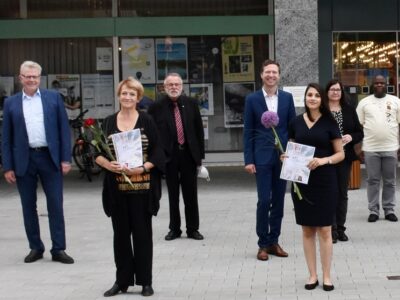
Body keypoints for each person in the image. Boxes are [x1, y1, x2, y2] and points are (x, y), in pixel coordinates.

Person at [95, 77, 165, 297]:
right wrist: (107, 163)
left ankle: (146, 281)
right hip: (117, 189)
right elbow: (95, 152)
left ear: (138, 98)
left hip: (142, 188)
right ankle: (122, 281)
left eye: (131, 94)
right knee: (121, 236)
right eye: (124, 93)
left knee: (143, 235)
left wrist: (143, 168)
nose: (127, 97)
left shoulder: (147, 121)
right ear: (119, 96)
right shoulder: (107, 122)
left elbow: (159, 152)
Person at [1, 61, 74, 264]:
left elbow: (63, 129)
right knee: (28, 206)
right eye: (27, 76)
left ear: (39, 78)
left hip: (49, 159)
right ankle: (35, 247)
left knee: (55, 205)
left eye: (35, 76)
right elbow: (6, 137)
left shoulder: (53, 98)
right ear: (20, 78)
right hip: (24, 160)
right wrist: (7, 166)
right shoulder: (11, 103)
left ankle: (58, 249)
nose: (31, 79)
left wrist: (65, 158)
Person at [287, 83, 344, 291]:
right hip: (302, 182)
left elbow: (341, 154)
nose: (312, 98)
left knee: (325, 230)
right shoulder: (295, 122)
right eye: (309, 95)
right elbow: (292, 149)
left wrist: (323, 160)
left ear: (322, 99)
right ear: (305, 98)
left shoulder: (330, 122)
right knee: (307, 230)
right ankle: (312, 275)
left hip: (325, 181)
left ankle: (327, 276)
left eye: (316, 95)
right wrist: (286, 156)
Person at [243, 59, 296, 261]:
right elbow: (248, 131)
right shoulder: (252, 99)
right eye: (267, 72)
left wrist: (292, 154)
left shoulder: (287, 98)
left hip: (282, 158)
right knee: (264, 200)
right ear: (261, 75)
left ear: (279, 75)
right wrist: (249, 159)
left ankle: (274, 241)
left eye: (274, 72)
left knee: (279, 201)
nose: (271, 75)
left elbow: (292, 129)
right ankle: (262, 244)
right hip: (262, 157)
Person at [148, 73, 205, 241]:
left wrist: (200, 157)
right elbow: (152, 134)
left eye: (177, 84)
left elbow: (198, 131)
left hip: (188, 155)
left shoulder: (191, 103)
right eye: (170, 85)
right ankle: (174, 229)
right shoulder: (156, 106)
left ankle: (193, 229)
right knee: (173, 195)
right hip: (168, 157)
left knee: (191, 194)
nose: (174, 87)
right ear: (164, 88)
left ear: (182, 86)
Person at [356, 75, 400, 223]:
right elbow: (358, 126)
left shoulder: (395, 101)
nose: (379, 85)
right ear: (372, 85)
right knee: (373, 181)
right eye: (376, 83)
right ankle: (373, 210)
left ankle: (389, 210)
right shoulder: (364, 103)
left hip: (391, 147)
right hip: (370, 148)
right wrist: (359, 147)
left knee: (390, 181)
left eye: (382, 83)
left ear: (386, 84)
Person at [326, 79, 364, 243]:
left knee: (342, 193)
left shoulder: (349, 110)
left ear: (342, 93)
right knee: (329, 192)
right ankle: (331, 229)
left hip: (345, 156)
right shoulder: (322, 110)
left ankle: (341, 228)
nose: (335, 92)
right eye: (332, 89)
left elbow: (359, 132)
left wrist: (351, 136)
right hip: (326, 156)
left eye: (338, 90)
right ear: (327, 92)